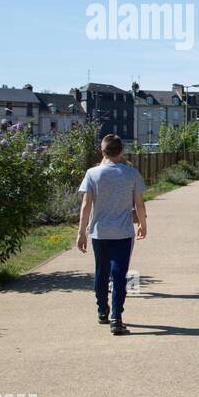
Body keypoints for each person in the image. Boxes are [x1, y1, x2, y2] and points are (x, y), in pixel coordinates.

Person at [76, 134, 147, 335]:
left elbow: (86, 205)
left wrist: (82, 232)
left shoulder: (92, 173)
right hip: (123, 233)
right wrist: (143, 224)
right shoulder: (131, 174)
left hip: (99, 233)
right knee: (118, 275)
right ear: (121, 151)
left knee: (101, 272)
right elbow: (139, 204)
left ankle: (102, 311)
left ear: (102, 150)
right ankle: (117, 317)